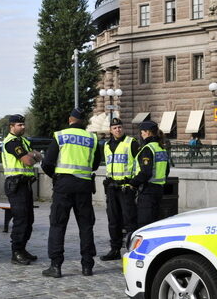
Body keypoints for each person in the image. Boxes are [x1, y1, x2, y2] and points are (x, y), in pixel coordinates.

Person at [41, 108, 101, 278]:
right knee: (86, 225)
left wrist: (56, 177)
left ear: (70, 119)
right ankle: (87, 266)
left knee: (58, 225)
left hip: (63, 186)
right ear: (84, 122)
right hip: (84, 185)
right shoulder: (92, 138)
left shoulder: (60, 135)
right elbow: (95, 164)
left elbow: (47, 163)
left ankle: (56, 266)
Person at [1, 114, 43, 266]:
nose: (23, 127)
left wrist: (33, 155)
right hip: (15, 184)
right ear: (11, 126)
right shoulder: (11, 142)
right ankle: (16, 252)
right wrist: (32, 155)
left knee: (28, 219)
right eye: (19, 125)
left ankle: (23, 249)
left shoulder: (24, 141)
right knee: (21, 219)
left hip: (25, 184)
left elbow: (38, 156)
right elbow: (29, 161)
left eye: (23, 124)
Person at [99, 117, 139, 261]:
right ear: (110, 130)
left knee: (130, 220)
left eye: (120, 127)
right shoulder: (106, 145)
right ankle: (115, 249)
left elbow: (138, 164)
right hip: (111, 188)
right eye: (115, 128)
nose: (118, 130)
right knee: (113, 220)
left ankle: (133, 250)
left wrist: (134, 183)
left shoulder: (131, 143)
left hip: (126, 187)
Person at [130, 120, 170, 229]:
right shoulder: (161, 147)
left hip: (148, 190)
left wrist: (133, 183)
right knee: (155, 223)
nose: (141, 134)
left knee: (144, 224)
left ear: (147, 132)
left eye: (142, 131)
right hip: (159, 189)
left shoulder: (148, 149)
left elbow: (146, 172)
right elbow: (166, 170)